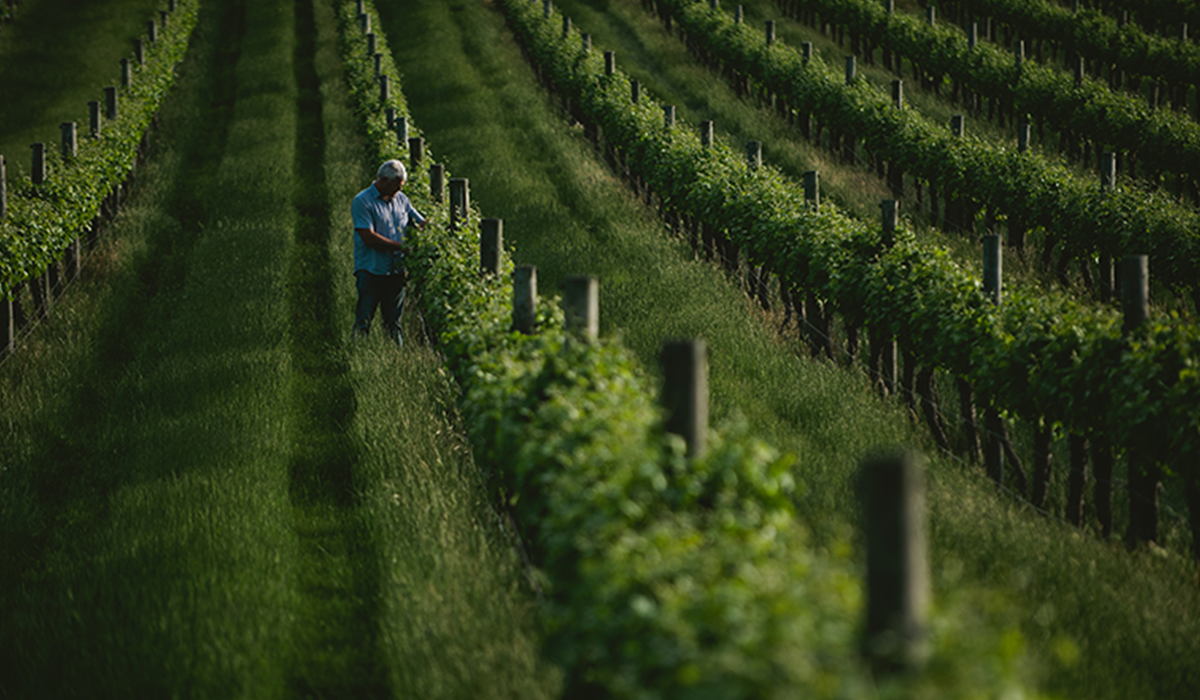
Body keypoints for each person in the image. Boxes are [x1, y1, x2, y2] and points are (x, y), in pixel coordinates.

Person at [351, 159, 427, 345]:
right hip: (371, 270)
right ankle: (357, 358)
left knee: (394, 323)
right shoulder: (362, 201)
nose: (398, 191)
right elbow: (368, 237)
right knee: (364, 320)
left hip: (396, 271)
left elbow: (420, 222)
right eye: (396, 186)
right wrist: (401, 247)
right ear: (383, 180)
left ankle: (395, 358)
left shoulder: (402, 200)